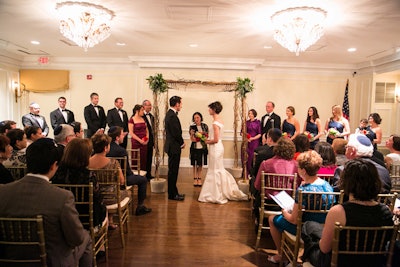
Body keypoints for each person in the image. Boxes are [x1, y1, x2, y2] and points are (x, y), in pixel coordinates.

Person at [0, 138, 93, 266]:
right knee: (86, 237)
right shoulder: (62, 197)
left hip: (9, 260)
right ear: (54, 165)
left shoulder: (2, 191)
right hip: (51, 261)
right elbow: (76, 238)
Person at [302, 159, 394, 267]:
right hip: (374, 263)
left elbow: (324, 248)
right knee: (312, 227)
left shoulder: (338, 211)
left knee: (308, 229)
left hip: (339, 262)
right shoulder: (386, 211)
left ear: (346, 182)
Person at [267, 150, 334, 264]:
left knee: (272, 219)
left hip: (303, 228)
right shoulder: (327, 186)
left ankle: (281, 255)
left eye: (298, 167)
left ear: (303, 171)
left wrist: (284, 212)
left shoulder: (303, 191)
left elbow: (293, 220)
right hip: (322, 228)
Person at [198, 101, 247, 204]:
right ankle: (219, 191)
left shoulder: (215, 123)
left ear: (214, 110)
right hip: (218, 147)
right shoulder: (220, 121)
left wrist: (206, 141)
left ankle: (215, 194)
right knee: (217, 169)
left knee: (215, 170)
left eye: (210, 108)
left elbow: (215, 139)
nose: (208, 110)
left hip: (215, 147)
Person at [52, 138, 107, 228]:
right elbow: (98, 199)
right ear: (85, 156)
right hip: (86, 219)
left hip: (63, 218)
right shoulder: (88, 175)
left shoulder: (56, 173)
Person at [107, 126, 152, 216]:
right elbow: (127, 170)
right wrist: (132, 174)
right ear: (117, 137)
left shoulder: (104, 149)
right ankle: (140, 207)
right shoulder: (121, 151)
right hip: (121, 179)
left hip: (106, 179)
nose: (124, 136)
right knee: (143, 180)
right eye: (122, 134)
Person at [88, 134, 130, 228]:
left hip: (93, 197)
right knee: (127, 193)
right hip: (112, 198)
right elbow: (122, 181)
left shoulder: (87, 162)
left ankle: (109, 220)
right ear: (106, 148)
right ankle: (109, 220)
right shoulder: (113, 162)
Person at [164, 96, 185, 201]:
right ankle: (172, 194)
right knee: (173, 171)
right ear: (177, 104)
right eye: (180, 103)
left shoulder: (171, 114)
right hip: (174, 147)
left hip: (172, 147)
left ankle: (174, 192)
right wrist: (182, 143)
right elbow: (176, 133)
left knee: (173, 171)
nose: (181, 105)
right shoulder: (172, 116)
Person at [189, 112, 209, 187]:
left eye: (197, 117)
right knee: (194, 164)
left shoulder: (205, 126)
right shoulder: (192, 127)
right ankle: (195, 178)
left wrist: (201, 135)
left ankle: (199, 178)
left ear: (200, 118)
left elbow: (206, 138)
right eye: (194, 118)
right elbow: (192, 139)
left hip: (202, 147)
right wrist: (192, 134)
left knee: (200, 163)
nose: (196, 119)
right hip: (194, 147)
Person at [128, 104, 149, 172]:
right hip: (136, 143)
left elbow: (147, 131)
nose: (143, 111)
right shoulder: (132, 120)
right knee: (135, 158)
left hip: (144, 142)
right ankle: (135, 176)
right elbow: (131, 133)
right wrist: (140, 140)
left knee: (143, 159)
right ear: (137, 111)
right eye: (142, 110)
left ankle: (143, 175)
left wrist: (146, 139)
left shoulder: (143, 119)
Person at [242, 109, 261, 178]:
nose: (250, 115)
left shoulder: (258, 122)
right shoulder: (246, 123)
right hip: (247, 142)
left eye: (251, 113)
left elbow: (259, 134)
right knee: (245, 156)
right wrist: (246, 137)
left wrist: (252, 138)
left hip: (254, 142)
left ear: (254, 114)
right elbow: (242, 132)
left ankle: (252, 173)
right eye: (249, 113)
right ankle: (245, 173)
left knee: (252, 157)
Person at [142, 99, 155, 180]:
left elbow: (153, 130)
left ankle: (148, 174)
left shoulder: (152, 117)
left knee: (149, 158)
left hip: (150, 141)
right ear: (144, 106)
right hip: (143, 141)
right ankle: (143, 174)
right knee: (144, 158)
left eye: (150, 105)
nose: (150, 107)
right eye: (148, 105)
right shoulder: (140, 116)